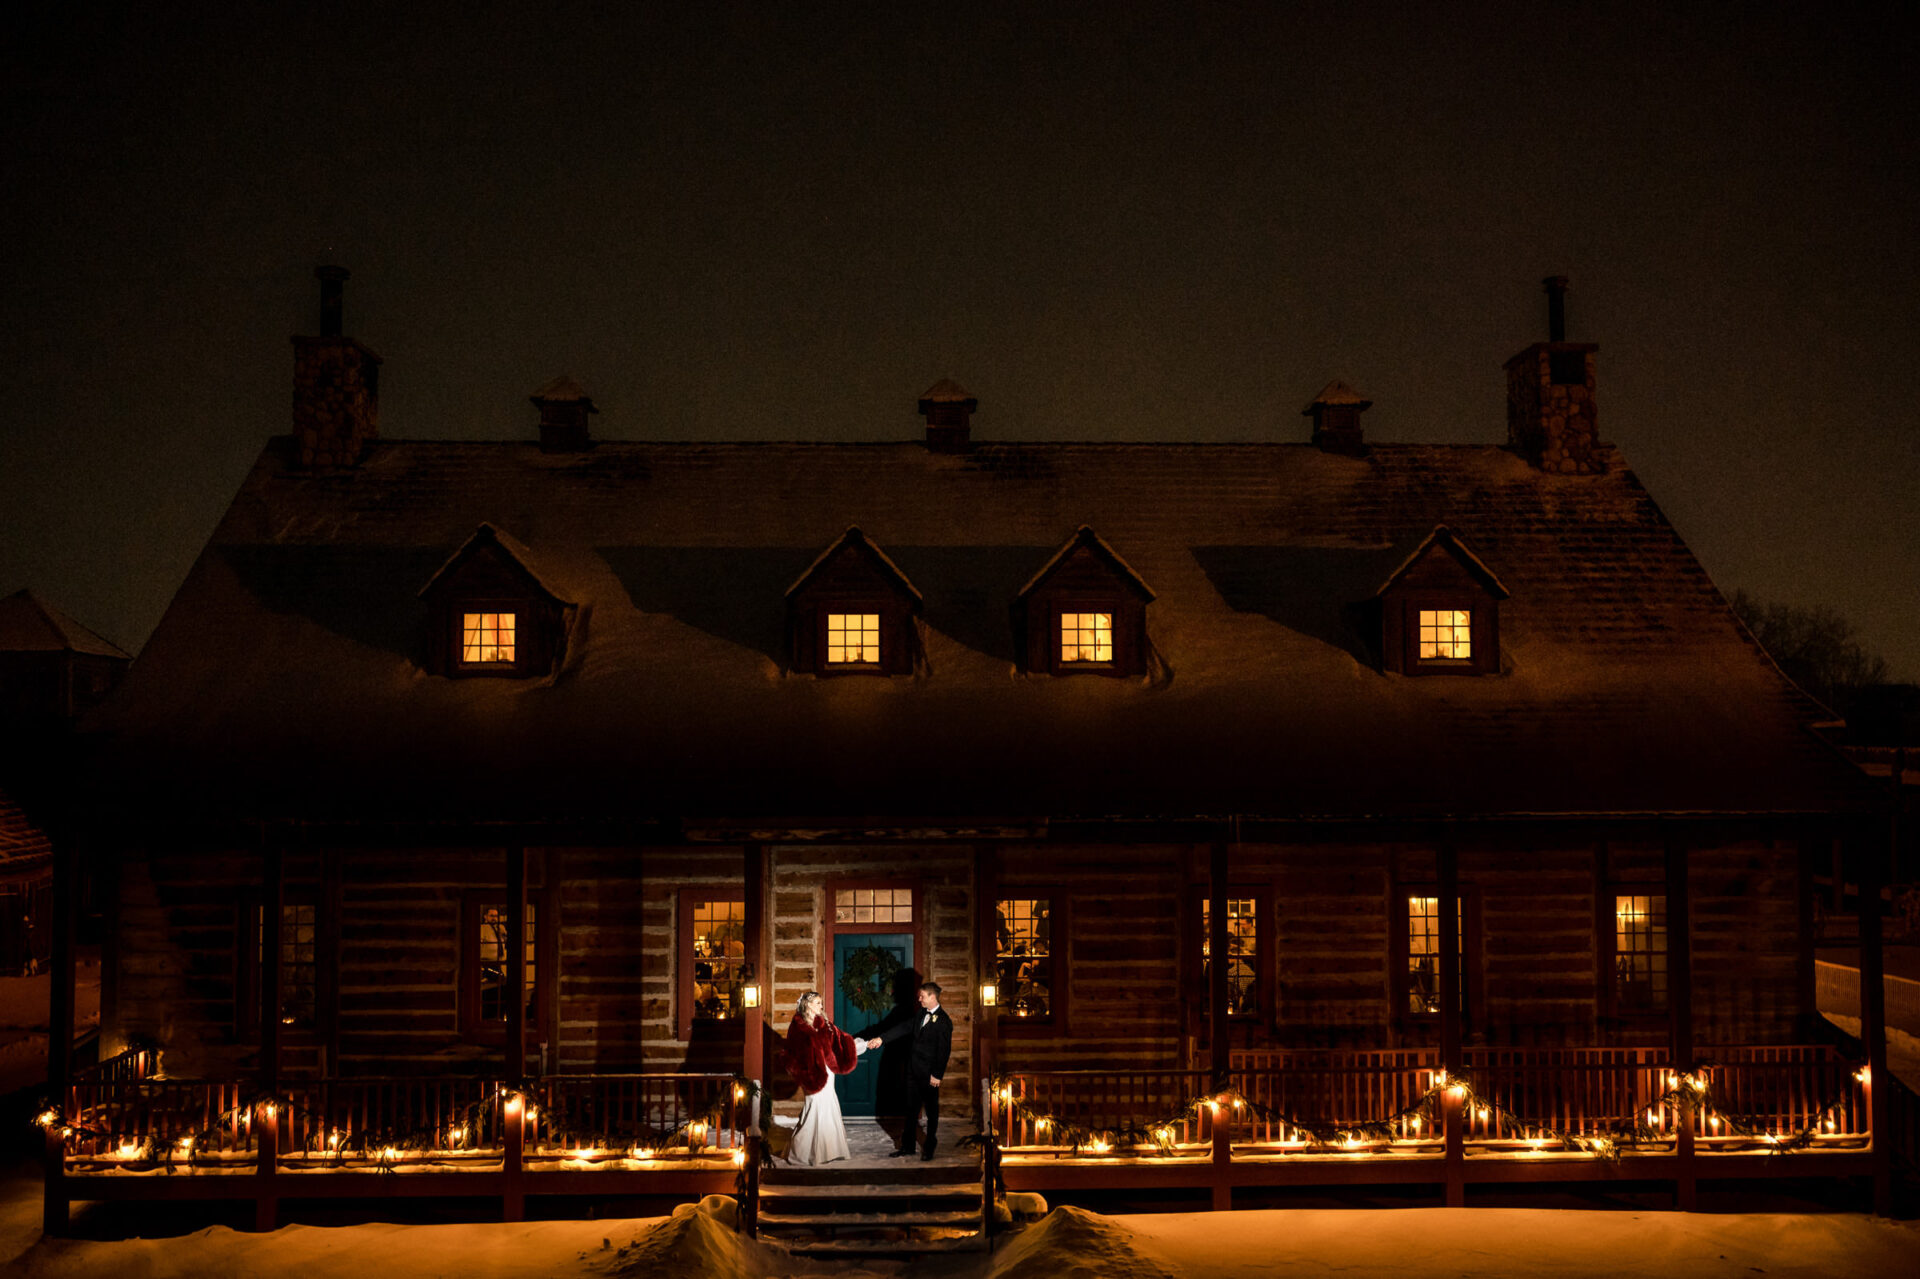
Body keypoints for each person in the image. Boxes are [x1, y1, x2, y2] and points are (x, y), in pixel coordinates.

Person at [867, 980, 952, 1161]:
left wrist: (937, 1074)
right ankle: (908, 1146)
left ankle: (930, 1146)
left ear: (932, 996)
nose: (919, 999)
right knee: (911, 1109)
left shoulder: (944, 1021)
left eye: (922, 996)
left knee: (931, 1111)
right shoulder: (921, 1013)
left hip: (930, 1075)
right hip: (913, 1071)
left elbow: (944, 1051)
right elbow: (903, 1028)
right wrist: (882, 1039)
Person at [782, 991, 865, 1164]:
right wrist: (801, 1072)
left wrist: (861, 1044)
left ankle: (829, 1151)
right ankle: (802, 1152)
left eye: (821, 1002)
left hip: (828, 1072)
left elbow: (841, 1039)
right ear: (808, 1004)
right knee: (814, 1107)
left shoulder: (824, 1023)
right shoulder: (798, 1025)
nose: (821, 1006)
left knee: (828, 1106)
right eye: (818, 1003)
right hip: (811, 1075)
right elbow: (791, 1052)